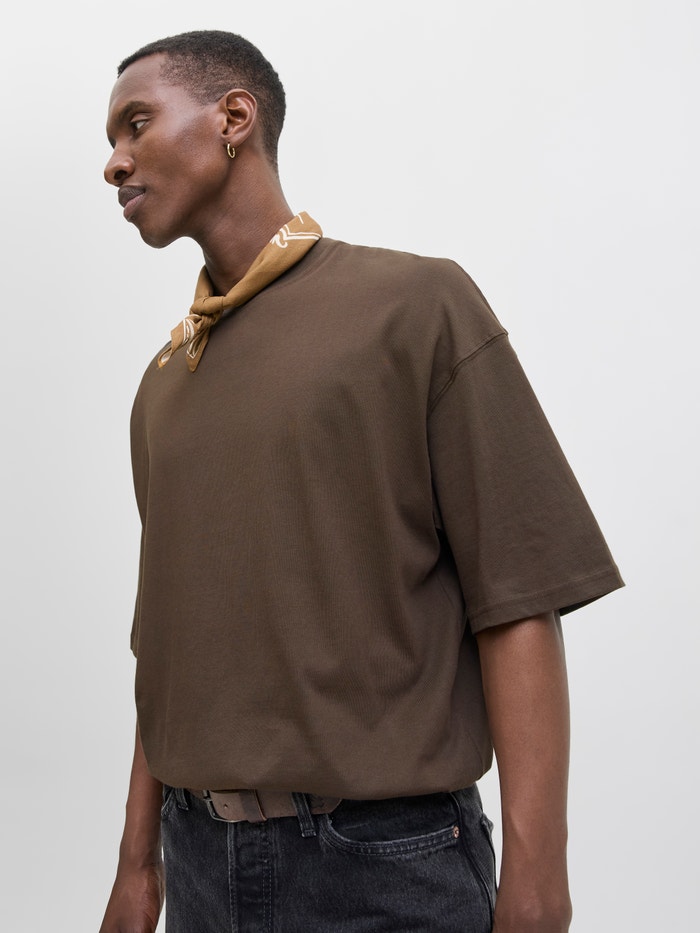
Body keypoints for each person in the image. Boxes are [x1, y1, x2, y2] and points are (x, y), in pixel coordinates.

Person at [99, 30, 623, 933]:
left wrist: (539, 876)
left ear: (233, 118)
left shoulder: (416, 306)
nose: (114, 162)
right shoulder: (164, 383)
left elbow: (517, 597)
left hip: (386, 867)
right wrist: (137, 865)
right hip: (200, 867)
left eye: (135, 124)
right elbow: (168, 654)